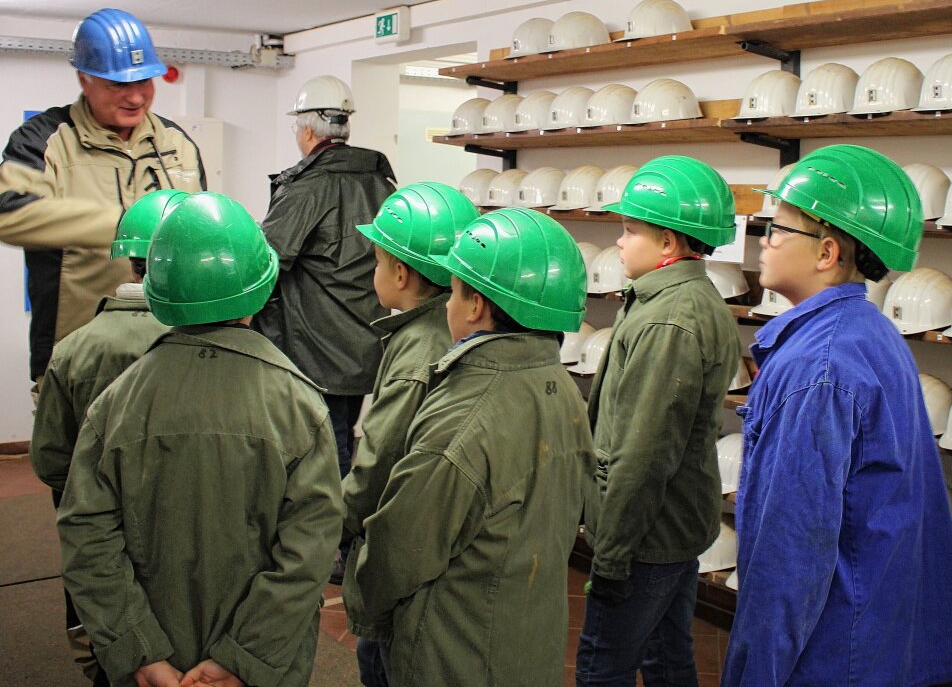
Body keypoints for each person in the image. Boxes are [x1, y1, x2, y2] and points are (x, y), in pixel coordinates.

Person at [57, 192, 342, 687]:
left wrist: (140, 651)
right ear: (261, 288)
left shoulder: (117, 404)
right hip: (262, 665)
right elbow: (308, 552)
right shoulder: (300, 405)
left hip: (150, 662)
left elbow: (86, 537)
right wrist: (241, 658)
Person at [722, 145, 952, 687]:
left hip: (832, 653)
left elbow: (789, 556)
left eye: (776, 230)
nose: (764, 242)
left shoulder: (814, 369)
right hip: (879, 638)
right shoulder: (869, 332)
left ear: (826, 252)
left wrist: (755, 675)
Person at [353, 208, 597, 686]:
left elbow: (400, 550)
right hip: (527, 642)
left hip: (456, 653)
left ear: (475, 305)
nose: (445, 305)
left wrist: (363, 598)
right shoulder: (561, 387)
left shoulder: (463, 415)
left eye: (456, 289)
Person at [576, 156, 741, 687]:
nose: (620, 242)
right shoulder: (672, 301)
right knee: (668, 661)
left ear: (668, 243)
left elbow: (644, 454)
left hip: (646, 536)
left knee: (603, 665)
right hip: (666, 528)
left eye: (630, 230)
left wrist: (612, 557)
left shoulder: (670, 319)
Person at [0, 7, 206, 399]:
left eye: (145, 81)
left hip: (167, 347)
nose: (136, 96)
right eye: (118, 85)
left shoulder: (177, 143)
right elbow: (8, 213)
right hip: (79, 352)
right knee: (75, 460)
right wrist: (125, 225)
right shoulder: (46, 138)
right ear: (84, 79)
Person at [31, 189, 182, 685]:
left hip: (97, 533)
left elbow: (51, 460)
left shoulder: (74, 350)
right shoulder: (210, 345)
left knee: (108, 641)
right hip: (185, 534)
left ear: (130, 259)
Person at [341, 182, 479, 687]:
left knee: (381, 658)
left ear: (399, 272)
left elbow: (380, 459)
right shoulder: (453, 328)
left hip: (400, 552)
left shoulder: (416, 351)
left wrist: (339, 522)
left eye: (376, 261)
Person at [253, 75, 397, 486]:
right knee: (343, 439)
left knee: (321, 451)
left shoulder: (307, 187)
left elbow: (268, 261)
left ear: (309, 130)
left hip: (315, 347)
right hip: (364, 342)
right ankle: (343, 531)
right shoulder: (380, 181)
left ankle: (329, 540)